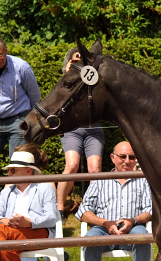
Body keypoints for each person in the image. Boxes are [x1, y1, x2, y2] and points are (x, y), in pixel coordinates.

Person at [76, 141, 153, 261]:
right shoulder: (99, 180)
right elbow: (83, 212)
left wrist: (133, 220)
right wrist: (105, 223)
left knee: (143, 237)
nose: (126, 160)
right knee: (90, 238)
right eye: (122, 156)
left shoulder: (143, 180)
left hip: (133, 227)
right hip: (103, 229)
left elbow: (150, 210)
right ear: (112, 158)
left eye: (131, 157)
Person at [0, 36, 41, 177]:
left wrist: (30, 120)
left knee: (18, 165)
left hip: (19, 119)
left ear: (6, 50)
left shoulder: (21, 67)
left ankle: (16, 198)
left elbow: (35, 95)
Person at [56, 48, 105, 225]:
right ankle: (59, 208)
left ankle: (93, 207)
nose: (80, 64)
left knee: (94, 169)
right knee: (72, 165)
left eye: (82, 61)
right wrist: (69, 73)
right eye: (76, 61)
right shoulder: (66, 83)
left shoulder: (94, 81)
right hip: (72, 130)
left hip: (94, 129)